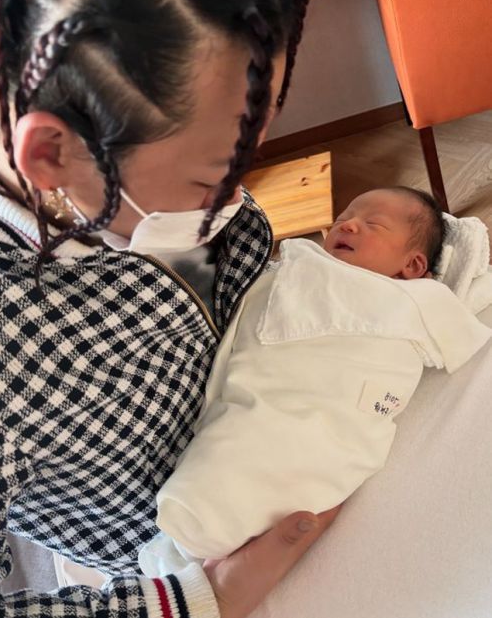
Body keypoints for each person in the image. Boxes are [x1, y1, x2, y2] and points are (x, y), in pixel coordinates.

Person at [0, 0, 340, 618]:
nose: (238, 198)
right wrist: (196, 598)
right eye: (214, 177)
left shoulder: (149, 189)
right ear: (50, 153)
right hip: (181, 563)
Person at [138, 187, 491, 572]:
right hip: (265, 397)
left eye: (373, 224)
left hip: (334, 416)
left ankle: (203, 540)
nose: (349, 225)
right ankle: (200, 540)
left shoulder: (418, 299)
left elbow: (464, 327)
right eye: (343, 218)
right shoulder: (302, 267)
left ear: (412, 265)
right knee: (239, 443)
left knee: (300, 455)